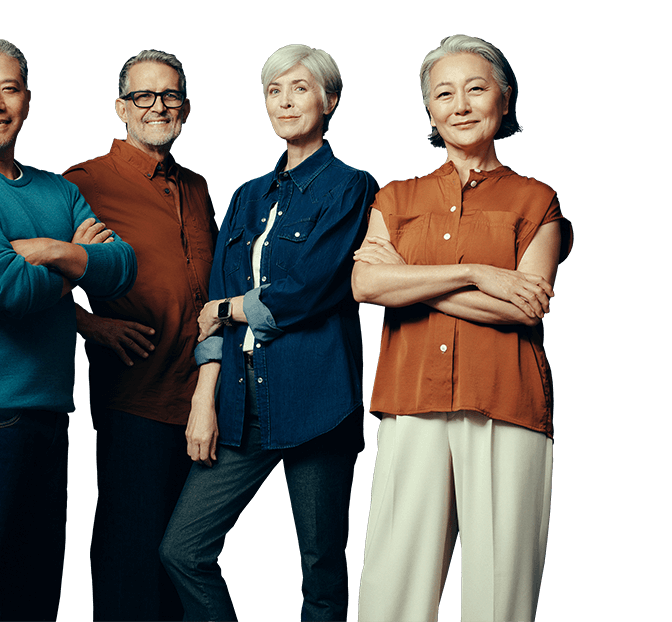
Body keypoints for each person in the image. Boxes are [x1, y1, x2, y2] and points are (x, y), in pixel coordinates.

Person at [353, 34, 572, 622]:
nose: (461, 104)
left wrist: (410, 280)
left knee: (500, 595)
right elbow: (366, 286)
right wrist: (479, 274)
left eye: (476, 88)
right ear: (430, 111)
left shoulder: (538, 200)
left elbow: (526, 306)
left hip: (507, 400)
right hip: (410, 399)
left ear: (505, 99)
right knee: (392, 588)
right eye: (444, 93)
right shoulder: (396, 197)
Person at [159, 44, 378, 621]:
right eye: (274, 91)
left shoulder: (351, 186)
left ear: (330, 101)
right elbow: (213, 304)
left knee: (321, 572)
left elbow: (311, 288)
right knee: (182, 551)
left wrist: (228, 308)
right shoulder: (247, 195)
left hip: (317, 398)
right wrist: (203, 400)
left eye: (300, 88)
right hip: (240, 399)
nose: (285, 101)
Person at [0, 38, 136, 621]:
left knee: (35, 599)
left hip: (49, 415)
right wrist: (79, 260)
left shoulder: (58, 189)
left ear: (27, 100)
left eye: (9, 88)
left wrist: (50, 250)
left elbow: (123, 267)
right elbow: (10, 292)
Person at [62, 49, 216, 621]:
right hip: (134, 398)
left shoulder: (197, 185)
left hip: (201, 401)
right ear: (121, 108)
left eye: (170, 95)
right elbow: (32, 274)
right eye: (143, 96)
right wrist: (92, 325)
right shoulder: (83, 182)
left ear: (186, 108)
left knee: (183, 560)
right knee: (130, 554)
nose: (158, 106)